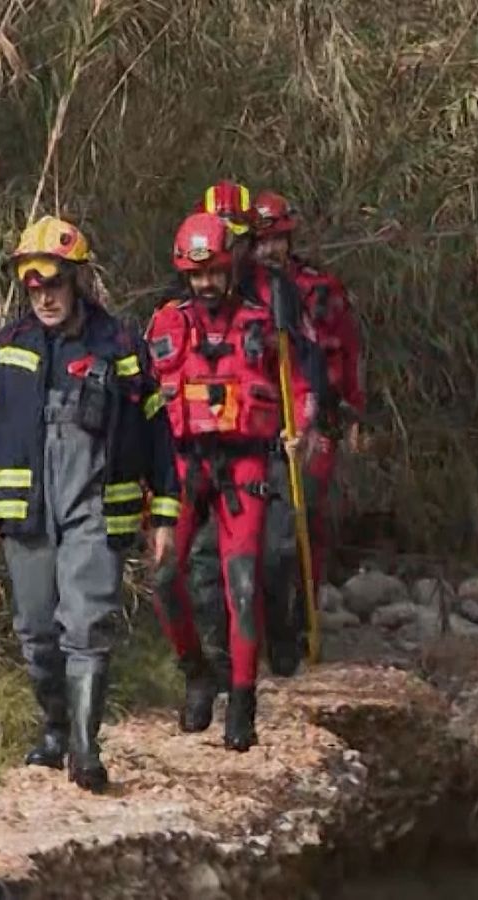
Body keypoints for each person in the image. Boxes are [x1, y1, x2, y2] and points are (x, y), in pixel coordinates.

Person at [0, 215, 179, 792]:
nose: (45, 297)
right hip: (27, 512)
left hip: (96, 508)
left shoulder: (119, 347)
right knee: (37, 630)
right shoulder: (5, 351)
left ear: (77, 281)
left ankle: (87, 753)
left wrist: (164, 511)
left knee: (88, 623)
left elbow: (158, 433)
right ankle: (56, 729)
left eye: (55, 285)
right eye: (34, 287)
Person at [145, 212, 318, 751]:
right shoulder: (165, 324)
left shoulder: (265, 322)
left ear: (229, 267)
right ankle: (196, 672)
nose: (205, 284)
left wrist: (303, 428)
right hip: (181, 464)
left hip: (245, 462)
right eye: (196, 276)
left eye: (214, 272)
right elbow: (141, 396)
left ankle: (242, 700)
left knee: (242, 582)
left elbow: (302, 382)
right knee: (163, 577)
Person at [178, 180, 331, 680]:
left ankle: (281, 633)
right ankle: (219, 659)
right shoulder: (183, 299)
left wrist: (304, 424)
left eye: (240, 239)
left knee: (275, 551)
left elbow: (306, 368)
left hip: (268, 442)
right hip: (204, 448)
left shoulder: (278, 292)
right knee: (204, 559)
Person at [248, 189, 366, 667]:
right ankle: (263, 625)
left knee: (307, 518)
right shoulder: (243, 291)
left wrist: (354, 414)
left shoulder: (320, 288)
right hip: (261, 424)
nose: (269, 249)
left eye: (277, 239)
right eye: (260, 240)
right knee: (261, 527)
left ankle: (303, 618)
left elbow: (349, 352)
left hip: (318, 421)